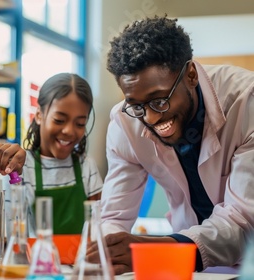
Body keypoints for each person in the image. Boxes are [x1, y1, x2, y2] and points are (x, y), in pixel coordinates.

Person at [95, 15, 254, 274]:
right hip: (189, 265)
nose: (150, 117)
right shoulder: (126, 121)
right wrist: (108, 250)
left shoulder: (247, 102)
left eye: (159, 100)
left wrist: (155, 252)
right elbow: (114, 216)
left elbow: (243, 222)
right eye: (137, 105)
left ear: (191, 75)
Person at [0, 73, 103, 236]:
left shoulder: (86, 167)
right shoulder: (24, 167)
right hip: (36, 261)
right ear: (39, 115)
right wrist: (13, 176)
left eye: (80, 123)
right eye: (59, 120)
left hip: (80, 261)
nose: (68, 131)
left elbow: (99, 230)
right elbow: (14, 233)